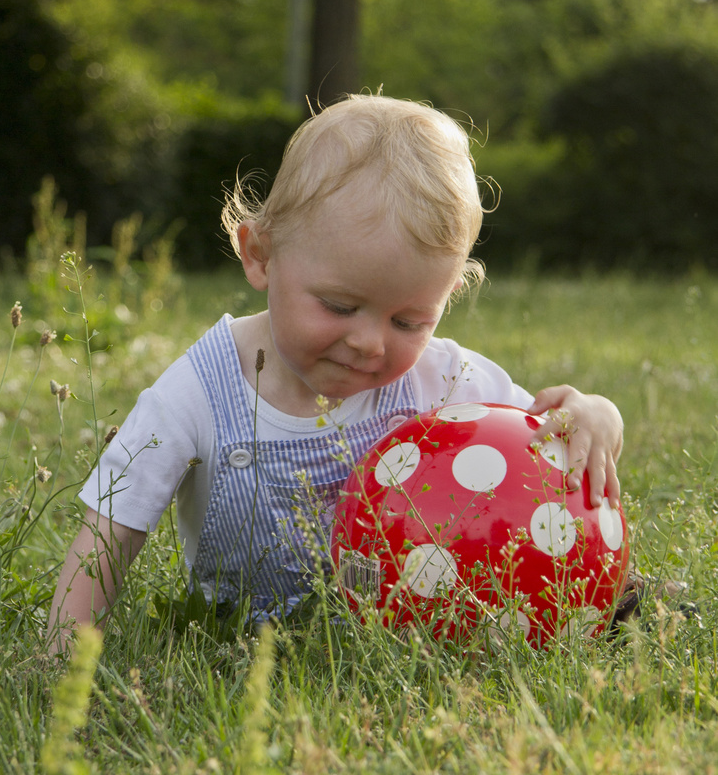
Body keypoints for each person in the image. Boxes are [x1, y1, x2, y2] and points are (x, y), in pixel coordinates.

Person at [47, 94, 623, 652]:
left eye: (408, 320)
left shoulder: (444, 378)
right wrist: (59, 657)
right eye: (340, 307)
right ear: (260, 255)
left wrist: (597, 414)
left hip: (405, 643)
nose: (370, 343)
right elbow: (110, 535)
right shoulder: (200, 390)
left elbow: (541, 438)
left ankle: (625, 602)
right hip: (239, 643)